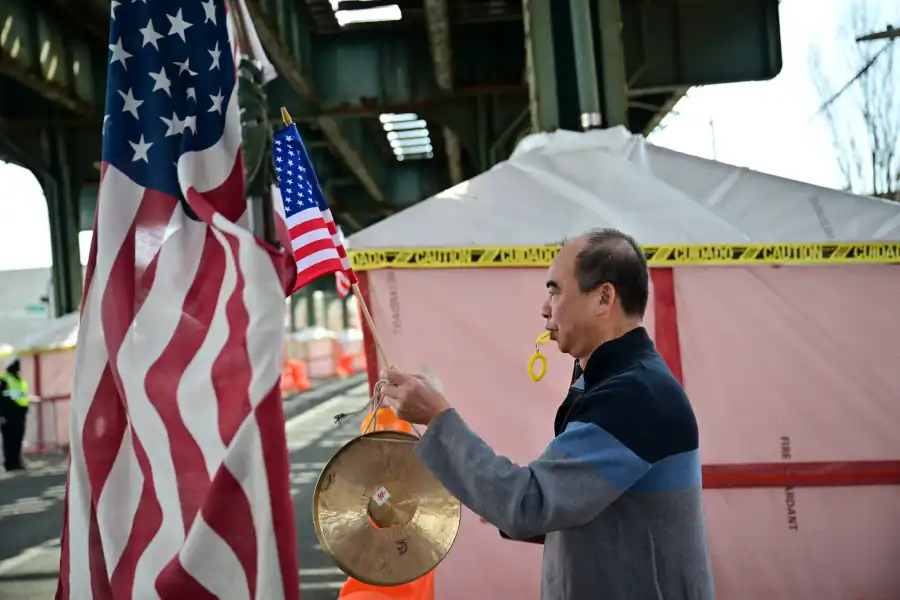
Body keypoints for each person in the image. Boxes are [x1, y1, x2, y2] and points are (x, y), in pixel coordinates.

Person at [381, 228, 715, 600]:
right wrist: (501, 498)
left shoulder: (634, 396)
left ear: (604, 297)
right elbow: (577, 506)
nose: (545, 307)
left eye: (555, 289)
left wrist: (436, 417)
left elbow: (531, 503)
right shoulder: (615, 382)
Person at [0, 358, 30, 471]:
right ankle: (9, 463)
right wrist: (2, 415)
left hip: (19, 414)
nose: (18, 367)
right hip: (8, 416)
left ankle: (17, 461)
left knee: (18, 438)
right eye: (16, 365)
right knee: (9, 440)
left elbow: (21, 396)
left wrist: (25, 408)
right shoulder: (3, 380)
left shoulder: (18, 380)